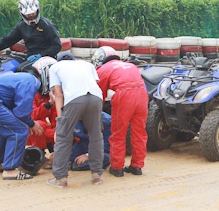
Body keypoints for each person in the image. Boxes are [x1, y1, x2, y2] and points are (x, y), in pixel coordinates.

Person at [0, 57, 55, 180]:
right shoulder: (31, 82)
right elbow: (21, 112)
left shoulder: (23, 77)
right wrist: (31, 124)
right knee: (19, 130)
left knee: (2, 130)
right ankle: (10, 169)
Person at [47, 54, 105, 188]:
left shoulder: (55, 67)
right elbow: (93, 84)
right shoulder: (87, 64)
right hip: (96, 97)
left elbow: (59, 94)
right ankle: (96, 176)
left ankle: (60, 178)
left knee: (63, 137)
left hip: (74, 98)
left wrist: (60, 119)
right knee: (96, 136)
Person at [92, 46, 148, 177]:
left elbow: (99, 94)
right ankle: (137, 166)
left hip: (124, 96)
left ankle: (117, 168)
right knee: (139, 133)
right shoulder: (131, 65)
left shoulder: (103, 69)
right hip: (142, 95)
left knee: (118, 133)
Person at [0, 0, 62, 71]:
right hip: (30, 55)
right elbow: (8, 40)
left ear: (38, 10)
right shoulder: (21, 26)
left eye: (32, 13)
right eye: (28, 14)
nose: (30, 16)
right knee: (6, 64)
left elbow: (57, 46)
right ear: (21, 13)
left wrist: (41, 55)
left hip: (47, 57)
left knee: (22, 69)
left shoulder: (46, 25)